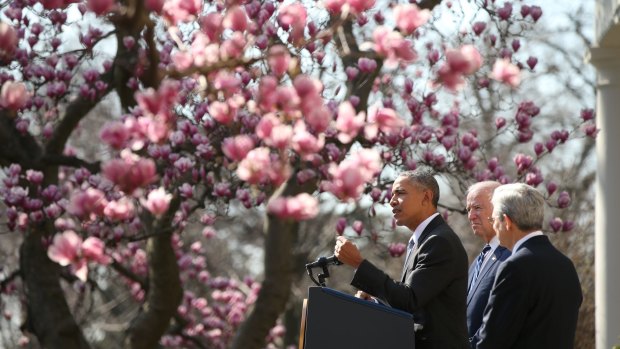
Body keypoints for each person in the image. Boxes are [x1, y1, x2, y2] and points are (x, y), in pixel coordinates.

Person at [334, 168, 469, 349]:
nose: (391, 201)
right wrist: (376, 299)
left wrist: (359, 263)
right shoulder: (424, 239)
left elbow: (409, 300)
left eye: (400, 193)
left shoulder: (439, 241)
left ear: (426, 197)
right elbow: (415, 300)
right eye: (391, 195)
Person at [472, 183, 582, 349]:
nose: (494, 226)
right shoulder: (566, 265)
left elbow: (491, 340)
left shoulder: (515, 267)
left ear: (507, 222)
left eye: (494, 219)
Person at [464, 181, 511, 339]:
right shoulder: (478, 260)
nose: (471, 216)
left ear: (499, 208)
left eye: (477, 208)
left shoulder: (512, 256)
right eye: (469, 209)